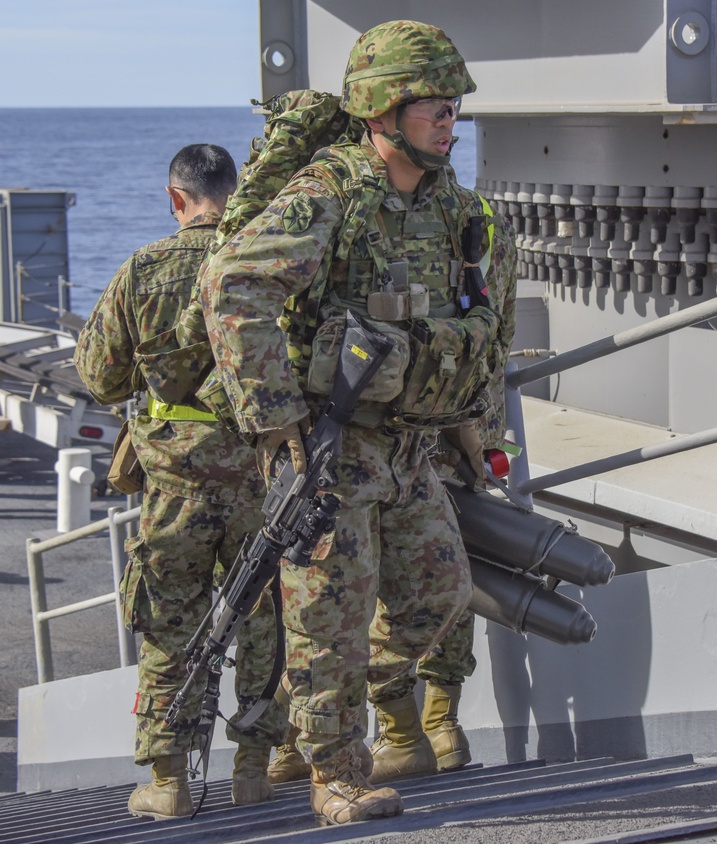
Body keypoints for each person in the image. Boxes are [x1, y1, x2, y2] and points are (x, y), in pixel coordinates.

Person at [200, 20, 516, 826]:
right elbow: (233, 285)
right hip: (331, 450)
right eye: (432, 108)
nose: (450, 122)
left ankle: (329, 709)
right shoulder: (331, 193)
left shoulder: (447, 206)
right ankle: (333, 773)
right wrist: (274, 421)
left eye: (453, 108)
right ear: (381, 110)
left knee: (438, 592)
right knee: (326, 618)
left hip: (412, 446)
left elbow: (466, 322)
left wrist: (472, 430)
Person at [74, 144, 286, 821]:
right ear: (234, 190)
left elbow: (100, 377)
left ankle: (169, 783)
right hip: (263, 477)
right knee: (261, 618)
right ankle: (254, 769)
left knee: (169, 622)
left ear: (176, 199)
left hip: (175, 485)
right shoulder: (265, 261)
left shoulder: (144, 271)